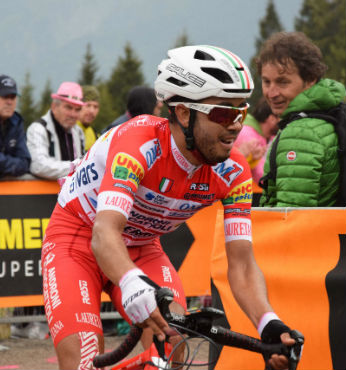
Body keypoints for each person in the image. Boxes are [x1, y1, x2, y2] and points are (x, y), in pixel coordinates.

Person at [42, 45, 297, 370]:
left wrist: (269, 324)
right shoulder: (139, 144)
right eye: (223, 113)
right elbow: (104, 233)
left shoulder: (234, 171)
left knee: (175, 345)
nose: (235, 125)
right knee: (83, 357)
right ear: (183, 113)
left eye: (241, 112)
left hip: (141, 248)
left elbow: (243, 264)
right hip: (77, 241)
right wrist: (133, 285)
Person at [256, 31, 346, 207]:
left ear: (310, 79)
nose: (272, 93)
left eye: (283, 82)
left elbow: (291, 215)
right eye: (267, 82)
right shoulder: (330, 115)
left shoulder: (301, 133)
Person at [26, 81, 86, 180]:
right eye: (68, 107)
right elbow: (38, 166)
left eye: (77, 110)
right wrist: (76, 166)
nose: (73, 114)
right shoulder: (38, 128)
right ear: (54, 107)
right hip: (43, 193)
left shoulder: (78, 132)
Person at [234, 97, 279, 184]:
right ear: (272, 119)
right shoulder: (247, 136)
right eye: (281, 117)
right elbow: (259, 175)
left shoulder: (270, 136)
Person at [77, 85, 100, 152]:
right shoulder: (67, 133)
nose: (92, 111)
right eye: (88, 105)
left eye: (95, 107)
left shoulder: (97, 137)